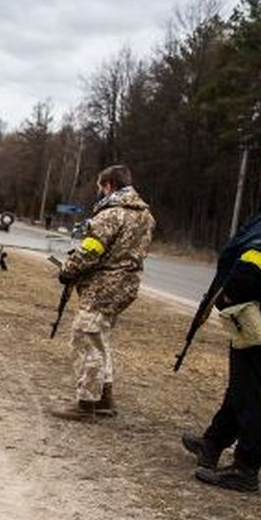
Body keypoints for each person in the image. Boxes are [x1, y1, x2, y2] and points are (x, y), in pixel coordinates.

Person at [183, 147, 261, 492]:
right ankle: (214, 441)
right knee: (245, 383)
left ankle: (246, 466)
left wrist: (231, 294)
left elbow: (255, 259)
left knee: (260, 388)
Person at [50, 165, 154, 421]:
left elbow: (91, 250)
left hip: (104, 285)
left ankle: (86, 402)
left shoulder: (110, 215)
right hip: (126, 286)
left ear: (108, 185)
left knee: (85, 338)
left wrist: (68, 269)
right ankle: (105, 397)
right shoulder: (146, 216)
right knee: (100, 337)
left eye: (101, 187)